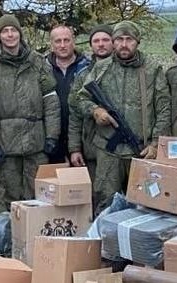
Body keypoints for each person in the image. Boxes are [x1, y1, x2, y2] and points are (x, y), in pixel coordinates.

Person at [74, 20, 170, 211]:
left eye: (129, 39)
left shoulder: (152, 69)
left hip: (141, 150)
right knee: (105, 202)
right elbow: (81, 98)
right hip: (108, 150)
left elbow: (164, 108)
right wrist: (96, 111)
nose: (124, 44)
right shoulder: (102, 68)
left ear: (137, 42)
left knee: (146, 204)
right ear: (113, 41)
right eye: (119, 39)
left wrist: (155, 144)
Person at [0, 14, 60, 207]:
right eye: (5, 31)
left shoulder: (37, 61)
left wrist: (52, 135)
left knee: (39, 196)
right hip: (6, 144)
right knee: (12, 199)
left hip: (36, 142)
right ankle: (15, 226)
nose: (10, 35)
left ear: (20, 34)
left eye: (13, 30)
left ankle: (37, 227)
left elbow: (50, 99)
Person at [68, 24, 114, 180]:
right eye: (96, 41)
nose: (101, 44)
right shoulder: (83, 76)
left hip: (124, 150)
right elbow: (75, 114)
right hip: (92, 150)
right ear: (91, 45)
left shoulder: (126, 72)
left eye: (105, 40)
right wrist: (74, 149)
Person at [46, 24, 91, 164]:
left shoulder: (88, 68)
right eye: (58, 41)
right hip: (51, 141)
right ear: (51, 44)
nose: (62, 45)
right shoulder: (42, 69)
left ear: (74, 41)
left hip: (83, 139)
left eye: (66, 40)